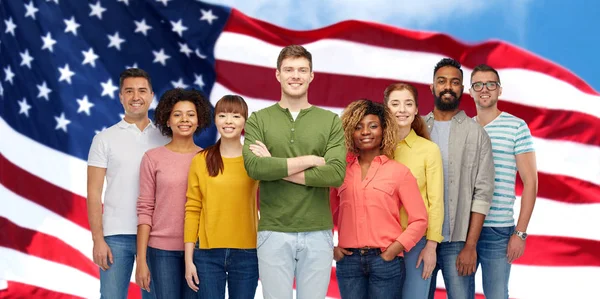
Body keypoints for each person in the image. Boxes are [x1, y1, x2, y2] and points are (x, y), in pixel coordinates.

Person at [242, 45, 347, 299]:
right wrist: (312, 159)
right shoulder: (258, 119)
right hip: (273, 231)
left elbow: (335, 174)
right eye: (289, 69)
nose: (295, 76)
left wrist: (275, 166)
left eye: (302, 70)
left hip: (318, 232)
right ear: (277, 74)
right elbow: (255, 167)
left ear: (312, 75)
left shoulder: (330, 120)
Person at [331, 99, 428, 299]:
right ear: (351, 132)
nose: (366, 132)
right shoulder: (339, 173)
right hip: (348, 262)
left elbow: (420, 219)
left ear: (384, 130)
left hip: (386, 261)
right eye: (359, 127)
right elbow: (321, 213)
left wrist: (394, 250)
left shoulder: (399, 172)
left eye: (373, 126)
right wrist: (331, 248)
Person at [86, 68, 169, 298]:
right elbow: (93, 193)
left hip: (157, 235)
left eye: (142, 91)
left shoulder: (166, 137)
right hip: (116, 236)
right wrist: (98, 239)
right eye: (129, 91)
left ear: (152, 95)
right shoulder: (104, 139)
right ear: (120, 96)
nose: (136, 97)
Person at [424, 58, 495, 299]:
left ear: (462, 89)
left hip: (458, 241)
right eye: (441, 81)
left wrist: (470, 246)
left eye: (455, 82)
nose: (448, 86)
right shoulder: (415, 129)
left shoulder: (477, 134)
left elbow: (482, 194)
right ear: (431, 87)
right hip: (420, 240)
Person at [135, 88, 212, 298]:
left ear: (199, 120)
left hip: (199, 250)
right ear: (167, 120)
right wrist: (141, 260)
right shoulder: (153, 158)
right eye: (177, 114)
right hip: (161, 251)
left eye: (190, 114)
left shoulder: (208, 159)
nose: (184, 119)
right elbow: (145, 209)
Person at [470, 64, 538, 299]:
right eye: (478, 84)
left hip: (497, 231)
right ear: (471, 91)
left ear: (499, 90)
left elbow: (530, 182)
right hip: (462, 229)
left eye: (491, 84)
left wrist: (520, 233)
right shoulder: (465, 128)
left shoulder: (516, 127)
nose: (484, 89)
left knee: (497, 295)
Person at [183, 95, 260, 299]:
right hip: (207, 254)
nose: (228, 121)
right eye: (223, 115)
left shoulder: (255, 161)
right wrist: (189, 260)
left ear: (245, 121)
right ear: (215, 119)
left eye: (236, 116)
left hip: (248, 252)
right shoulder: (200, 160)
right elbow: (192, 209)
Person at [384, 83, 444, 298]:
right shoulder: (375, 148)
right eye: (395, 104)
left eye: (408, 104)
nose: (402, 109)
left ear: (417, 109)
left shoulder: (429, 150)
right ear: (386, 109)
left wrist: (431, 246)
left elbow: (436, 201)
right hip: (380, 242)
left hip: (416, 244)